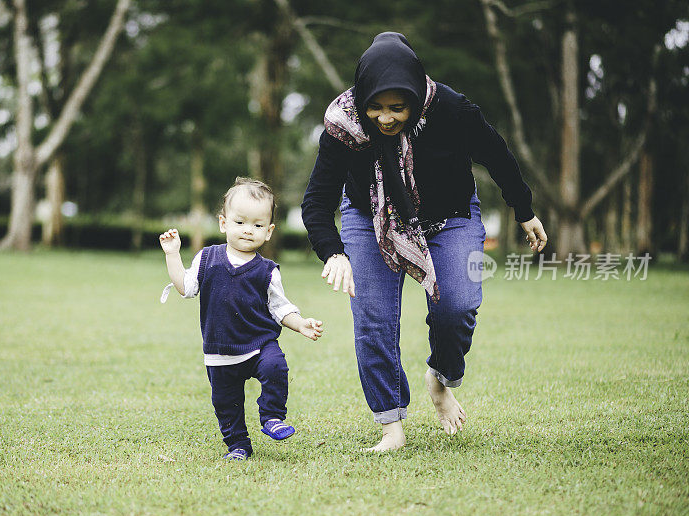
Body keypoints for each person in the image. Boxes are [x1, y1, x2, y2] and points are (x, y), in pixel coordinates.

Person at [301, 32, 547, 451]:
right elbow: (317, 200)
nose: (385, 118)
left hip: (450, 214)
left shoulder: (451, 109)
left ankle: (440, 377)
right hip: (369, 215)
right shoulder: (342, 124)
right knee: (374, 319)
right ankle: (391, 425)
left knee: (457, 306)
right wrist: (334, 251)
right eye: (375, 107)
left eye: (398, 108)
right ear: (361, 99)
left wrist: (523, 209)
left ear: (415, 97)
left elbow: (496, 153)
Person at [159, 177, 324, 460]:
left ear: (269, 231)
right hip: (220, 349)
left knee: (276, 367)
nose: (248, 230)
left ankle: (272, 417)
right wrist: (173, 254)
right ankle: (238, 445)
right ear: (224, 223)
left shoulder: (268, 271)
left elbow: (281, 308)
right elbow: (186, 288)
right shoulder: (207, 258)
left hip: (260, 343)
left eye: (258, 225)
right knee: (226, 403)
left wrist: (301, 324)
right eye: (240, 222)